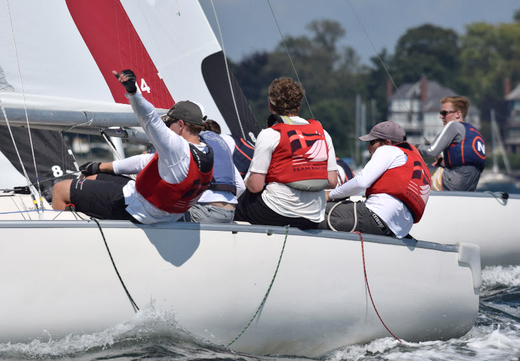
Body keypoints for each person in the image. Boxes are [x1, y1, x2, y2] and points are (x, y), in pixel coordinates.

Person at [52, 69, 214, 224]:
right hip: (164, 214)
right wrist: (100, 167)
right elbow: (146, 161)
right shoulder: (206, 151)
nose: (166, 127)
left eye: (168, 123)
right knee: (90, 178)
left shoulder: (177, 147)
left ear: (180, 124)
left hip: (137, 210)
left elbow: (150, 118)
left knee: (60, 189)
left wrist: (134, 93)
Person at [234, 77, 338, 229]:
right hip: (313, 215)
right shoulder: (323, 133)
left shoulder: (270, 134)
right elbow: (333, 181)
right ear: (299, 105)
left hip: (277, 211)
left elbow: (255, 186)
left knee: (238, 204)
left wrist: (246, 182)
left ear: (270, 105)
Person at [319, 121, 431, 238]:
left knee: (309, 210)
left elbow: (361, 182)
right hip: (397, 231)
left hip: (373, 218)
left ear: (387, 143)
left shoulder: (388, 150)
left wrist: (330, 195)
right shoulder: (419, 164)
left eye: (372, 142)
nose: (368, 147)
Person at [417, 96, 486, 191]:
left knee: (415, 168)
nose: (441, 116)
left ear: (458, 114)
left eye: (444, 113)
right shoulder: (475, 132)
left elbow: (431, 151)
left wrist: (416, 147)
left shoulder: (453, 125)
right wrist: (442, 163)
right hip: (470, 188)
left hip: (451, 184)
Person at [184, 119, 245, 223]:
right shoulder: (222, 147)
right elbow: (241, 186)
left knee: (163, 215)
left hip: (206, 211)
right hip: (229, 213)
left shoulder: (196, 145)